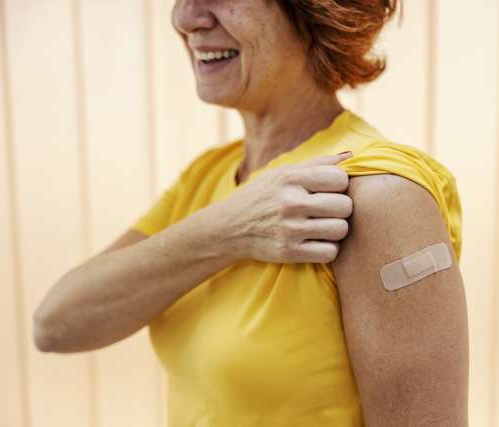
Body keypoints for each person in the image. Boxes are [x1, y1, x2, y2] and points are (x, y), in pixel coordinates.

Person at [33, 0, 468, 425]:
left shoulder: (380, 194)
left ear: (314, 9)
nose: (185, 18)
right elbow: (55, 325)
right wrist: (226, 229)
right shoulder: (209, 176)